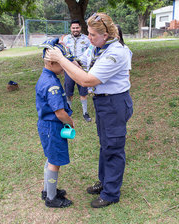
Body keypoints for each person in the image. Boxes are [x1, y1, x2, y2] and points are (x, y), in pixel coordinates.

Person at [45, 13, 133, 208]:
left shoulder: (116, 52)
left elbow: (86, 80)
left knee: (113, 147)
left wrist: (60, 59)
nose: (89, 38)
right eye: (89, 33)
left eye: (93, 34)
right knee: (105, 145)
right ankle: (105, 182)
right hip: (103, 103)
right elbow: (79, 64)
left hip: (115, 104)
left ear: (106, 34)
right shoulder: (98, 47)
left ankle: (111, 193)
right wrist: (65, 55)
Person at [36, 38, 75, 208]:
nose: (64, 66)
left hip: (47, 126)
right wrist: (71, 122)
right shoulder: (51, 83)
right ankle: (51, 198)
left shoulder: (47, 76)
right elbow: (59, 112)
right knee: (55, 162)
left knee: (51, 158)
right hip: (53, 126)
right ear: (51, 62)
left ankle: (47, 190)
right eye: (62, 63)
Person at [62, 20, 92, 122]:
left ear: (80, 28)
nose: (75, 30)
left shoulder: (86, 39)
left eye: (77, 28)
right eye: (73, 28)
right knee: (68, 92)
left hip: (81, 69)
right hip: (69, 69)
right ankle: (68, 112)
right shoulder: (66, 39)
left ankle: (85, 113)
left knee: (83, 92)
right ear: (70, 28)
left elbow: (90, 53)